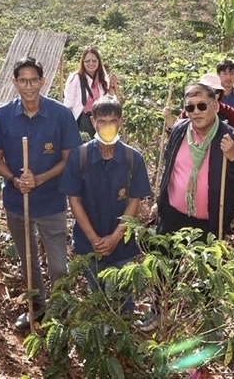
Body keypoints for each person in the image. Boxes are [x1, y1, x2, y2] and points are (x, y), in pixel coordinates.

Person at [0, 57, 81, 332]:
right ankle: (36, 309)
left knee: (59, 265)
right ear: (15, 83)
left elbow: (68, 159)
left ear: (43, 81)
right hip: (17, 201)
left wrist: (39, 179)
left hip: (51, 201)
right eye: (22, 81)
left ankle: (60, 311)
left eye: (33, 80)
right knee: (28, 262)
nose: (28, 86)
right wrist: (15, 179)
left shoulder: (61, 114)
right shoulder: (3, 115)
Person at [59, 95, 153, 327]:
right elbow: (75, 200)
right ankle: (100, 340)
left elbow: (135, 200)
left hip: (122, 245)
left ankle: (123, 338)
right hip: (88, 243)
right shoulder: (79, 157)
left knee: (123, 297)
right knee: (96, 294)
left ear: (120, 123)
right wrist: (93, 238)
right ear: (93, 122)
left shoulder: (133, 158)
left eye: (113, 121)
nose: (107, 126)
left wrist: (115, 237)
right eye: (102, 121)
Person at [156, 81, 234, 238]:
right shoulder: (179, 130)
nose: (196, 112)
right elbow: (168, 169)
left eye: (202, 106)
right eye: (190, 107)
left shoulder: (233, 139)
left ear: (215, 107)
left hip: (209, 228)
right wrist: (159, 202)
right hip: (171, 219)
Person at [63, 47, 122, 136]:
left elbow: (108, 100)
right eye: (87, 61)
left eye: (94, 61)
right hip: (82, 119)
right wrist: (67, 126)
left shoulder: (102, 77)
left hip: (100, 118)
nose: (91, 63)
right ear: (83, 62)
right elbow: (68, 105)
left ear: (99, 62)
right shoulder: (75, 78)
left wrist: (112, 88)